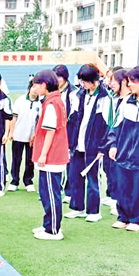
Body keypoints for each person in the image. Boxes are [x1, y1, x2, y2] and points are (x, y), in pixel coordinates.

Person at [106, 66, 139, 232]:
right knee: (122, 186)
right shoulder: (126, 101)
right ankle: (123, 217)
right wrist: (113, 145)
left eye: (132, 81)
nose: (129, 85)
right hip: (123, 152)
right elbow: (115, 126)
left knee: (138, 188)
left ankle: (136, 220)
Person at [66, 64, 115, 222]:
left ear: (95, 81)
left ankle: (94, 211)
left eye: (86, 81)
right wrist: (70, 142)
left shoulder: (105, 98)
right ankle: (77, 207)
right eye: (81, 81)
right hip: (77, 143)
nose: (83, 84)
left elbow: (108, 124)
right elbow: (72, 119)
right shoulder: (78, 95)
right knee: (75, 176)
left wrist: (103, 146)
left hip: (94, 145)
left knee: (93, 178)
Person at [30, 69, 69, 240]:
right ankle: (49, 224)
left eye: (36, 85)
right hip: (52, 154)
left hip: (52, 155)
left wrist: (43, 154)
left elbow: (50, 131)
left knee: (51, 193)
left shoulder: (52, 103)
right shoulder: (53, 101)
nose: (34, 88)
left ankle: (53, 229)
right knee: (46, 192)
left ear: (44, 85)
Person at [102, 68, 130, 215]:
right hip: (113, 141)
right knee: (112, 171)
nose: (110, 83)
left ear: (123, 81)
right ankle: (115, 198)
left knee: (123, 175)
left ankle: (122, 203)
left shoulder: (130, 100)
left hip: (124, 144)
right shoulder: (114, 98)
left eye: (113, 80)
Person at [55, 64, 82, 203]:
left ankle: (69, 191)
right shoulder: (52, 91)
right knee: (55, 161)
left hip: (70, 131)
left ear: (65, 78)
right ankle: (56, 188)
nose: (57, 80)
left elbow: (75, 115)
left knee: (69, 162)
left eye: (59, 77)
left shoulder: (74, 93)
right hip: (55, 130)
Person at [8, 77, 40, 193]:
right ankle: (14, 181)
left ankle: (28, 181)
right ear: (29, 88)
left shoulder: (41, 103)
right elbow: (14, 117)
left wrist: (35, 135)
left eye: (37, 87)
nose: (35, 90)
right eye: (33, 87)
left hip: (32, 137)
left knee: (30, 160)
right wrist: (11, 132)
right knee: (16, 159)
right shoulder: (20, 100)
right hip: (18, 135)